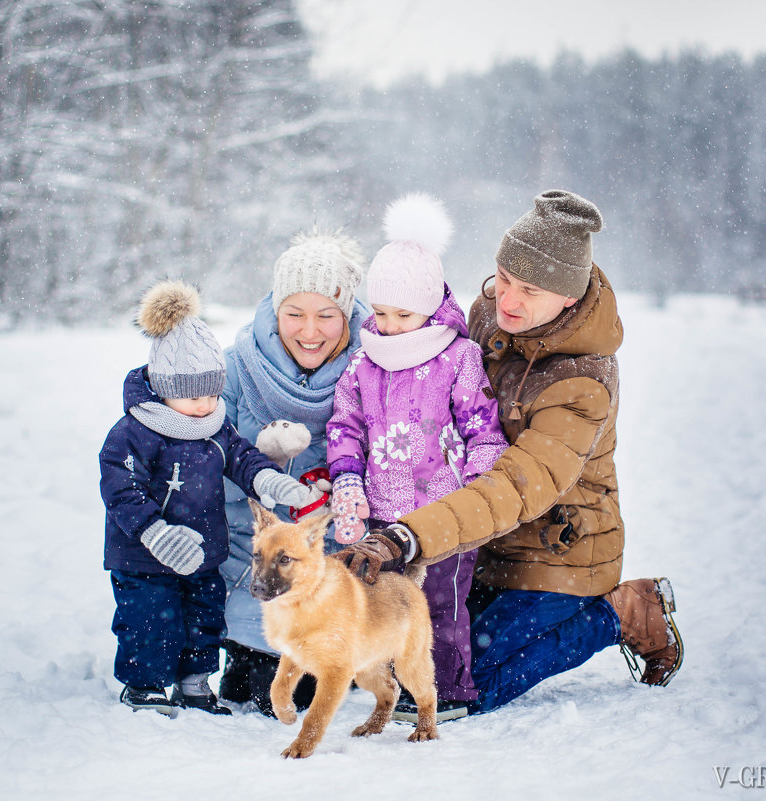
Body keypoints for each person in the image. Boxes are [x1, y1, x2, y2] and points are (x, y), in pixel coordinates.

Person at [334, 190, 684, 713]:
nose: (508, 301)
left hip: (554, 551)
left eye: (532, 291)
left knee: (460, 684)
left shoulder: (582, 382)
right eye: (505, 279)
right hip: (475, 543)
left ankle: (623, 611)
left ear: (569, 297)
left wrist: (410, 535)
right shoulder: (485, 319)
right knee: (412, 649)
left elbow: (515, 485)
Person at [98, 280, 322, 717]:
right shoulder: (134, 433)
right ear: (164, 387)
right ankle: (144, 686)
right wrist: (154, 532)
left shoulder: (215, 428)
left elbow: (243, 459)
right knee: (149, 622)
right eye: (191, 395)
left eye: (212, 393)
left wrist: (273, 483)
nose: (204, 405)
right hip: (143, 559)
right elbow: (120, 489)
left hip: (203, 554)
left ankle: (195, 682)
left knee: (203, 619)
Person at [326, 193, 509, 722]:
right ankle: (388, 680)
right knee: (384, 599)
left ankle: (446, 688)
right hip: (381, 512)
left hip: (444, 512)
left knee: (440, 606)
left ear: (430, 307)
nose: (389, 325)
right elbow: (346, 425)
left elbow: (483, 428)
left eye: (403, 314)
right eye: (380, 313)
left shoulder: (458, 357)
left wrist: (477, 493)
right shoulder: (364, 361)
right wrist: (347, 482)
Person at [217, 229, 370, 715]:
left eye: (327, 315)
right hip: (248, 570)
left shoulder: (376, 369)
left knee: (310, 689)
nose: (310, 331)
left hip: (331, 582)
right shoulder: (235, 369)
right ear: (275, 310)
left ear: (346, 315)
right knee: (252, 696)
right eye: (294, 314)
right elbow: (197, 461)